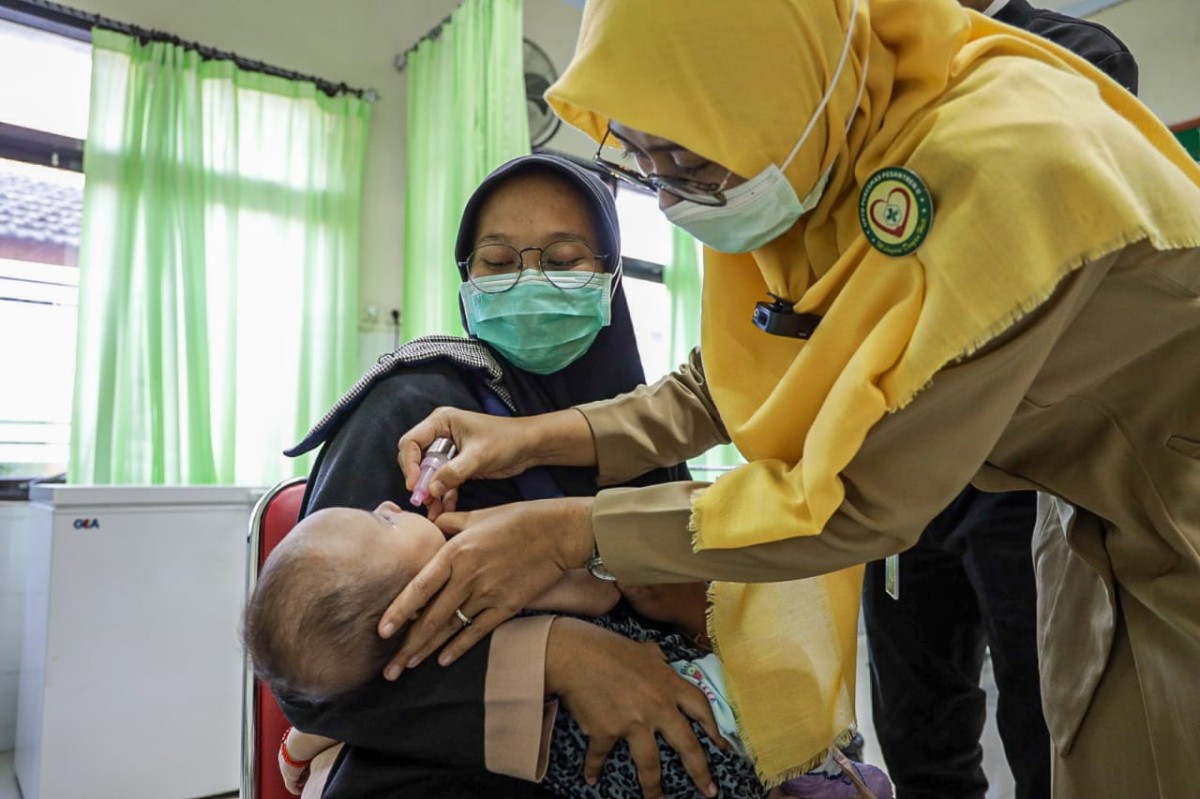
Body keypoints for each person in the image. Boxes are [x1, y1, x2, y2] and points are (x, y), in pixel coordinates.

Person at [377, 1, 1200, 797]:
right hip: (1086, 497)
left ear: (780, 91)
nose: (673, 198)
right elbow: (732, 377)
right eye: (638, 157)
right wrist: (527, 441)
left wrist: (566, 537)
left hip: (1176, 496)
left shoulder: (1001, 157)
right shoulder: (834, 145)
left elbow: (851, 498)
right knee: (1092, 749)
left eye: (692, 165)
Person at [273, 153, 762, 799]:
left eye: (563, 261)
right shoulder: (410, 413)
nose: (528, 283)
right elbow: (312, 672)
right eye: (498, 264)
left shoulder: (649, 428)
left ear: (612, 278)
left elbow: (718, 618)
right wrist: (554, 654)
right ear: (465, 279)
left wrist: (665, 596)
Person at [860, 2, 1138, 797]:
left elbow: (1057, 231)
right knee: (916, 721)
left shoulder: (1074, 52)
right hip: (906, 458)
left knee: (1051, 718)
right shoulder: (866, 76)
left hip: (1031, 458)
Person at [244, 501, 893, 798]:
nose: (389, 501)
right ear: (403, 613)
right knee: (739, 730)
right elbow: (594, 594)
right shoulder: (468, 641)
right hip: (626, 749)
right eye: (383, 523)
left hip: (639, 717)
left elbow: (356, 703)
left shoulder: (408, 666)